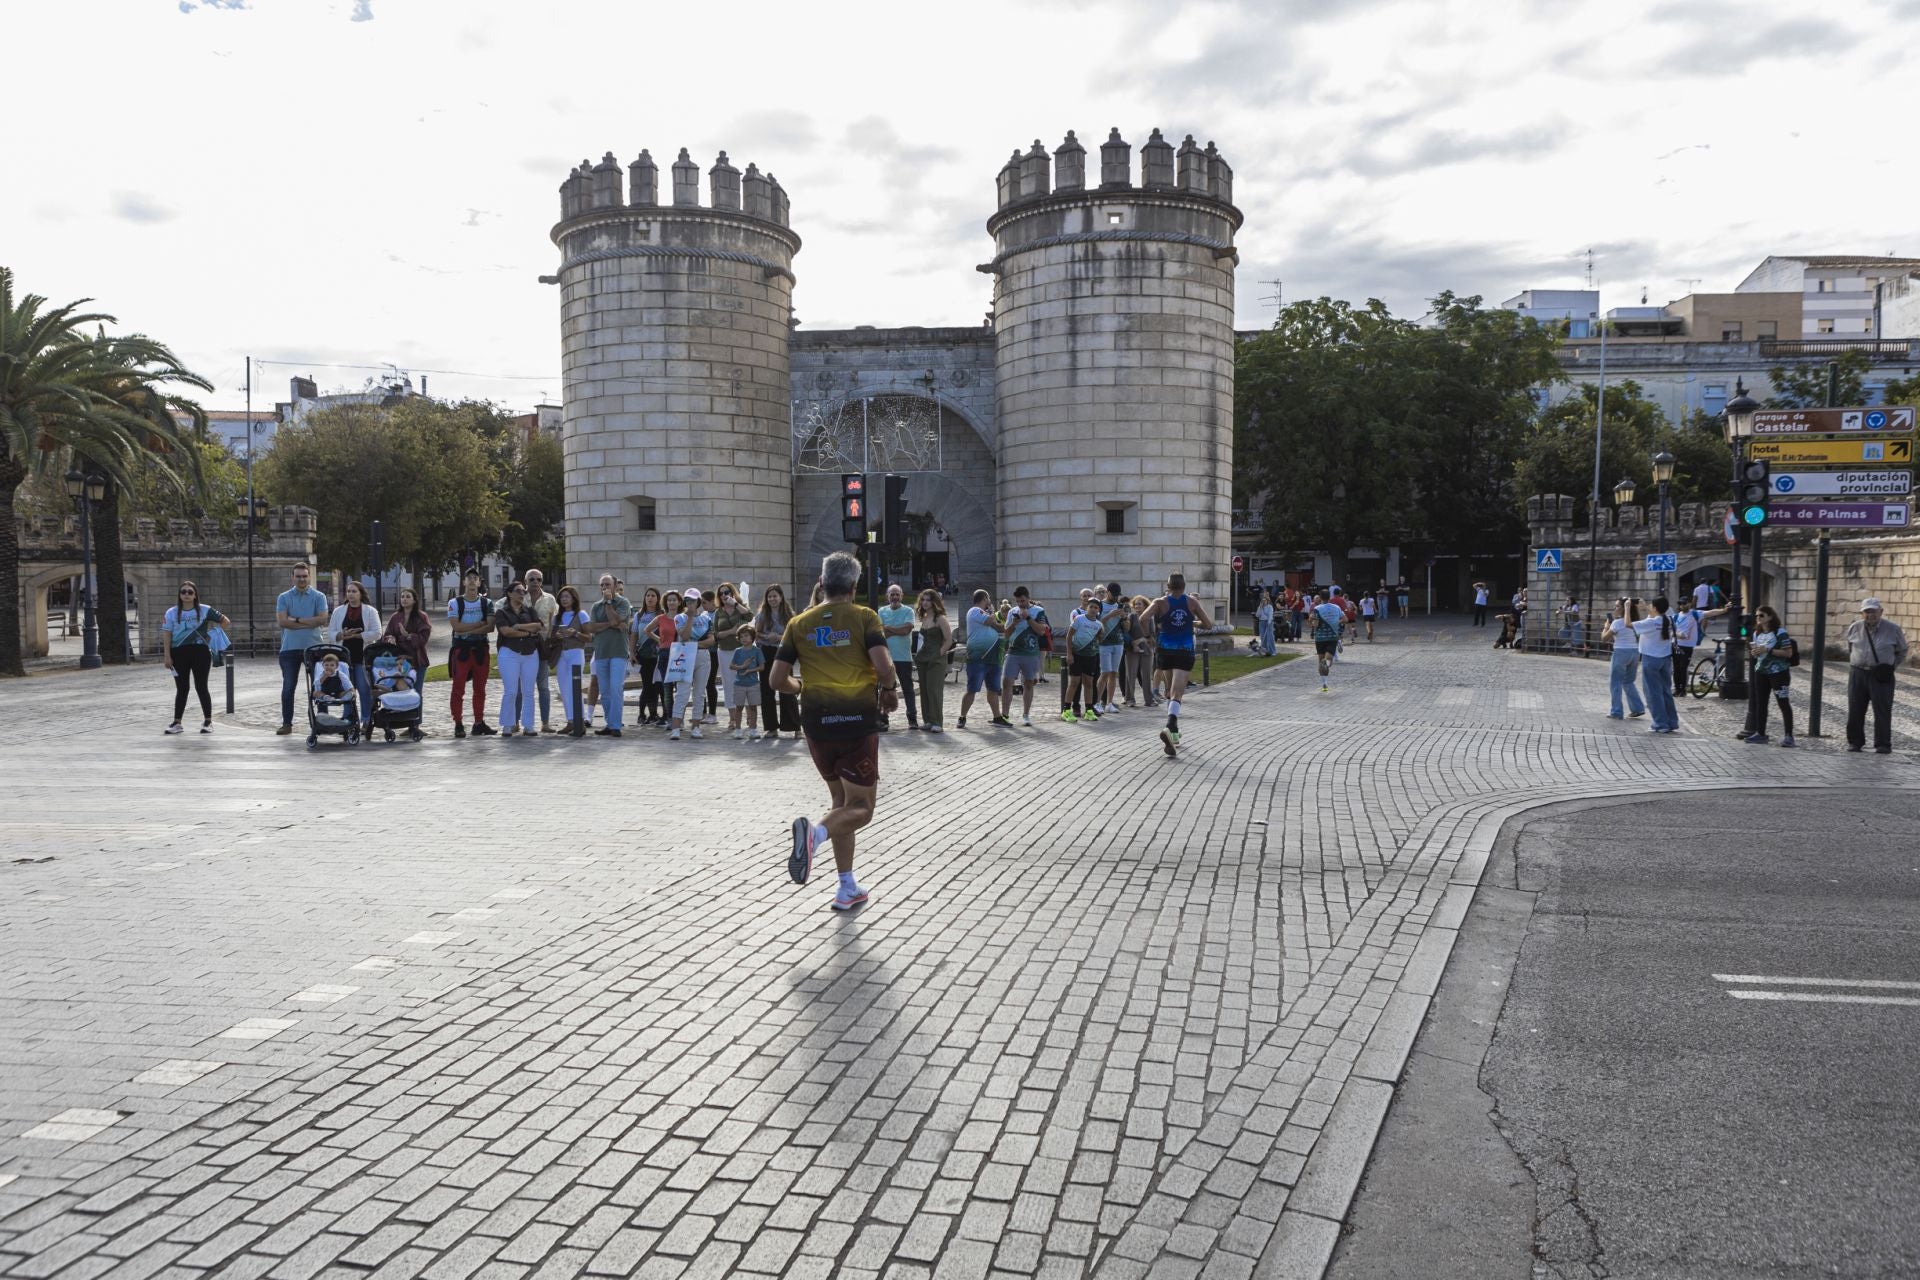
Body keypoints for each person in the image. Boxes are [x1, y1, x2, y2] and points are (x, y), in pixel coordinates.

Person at [775, 551, 900, 911]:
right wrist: (889, 689)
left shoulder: (798, 623)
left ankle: (847, 887)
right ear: (854, 585)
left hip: (816, 726)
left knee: (840, 803)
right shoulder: (864, 617)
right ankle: (814, 834)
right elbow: (882, 664)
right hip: (856, 724)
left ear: (822, 581)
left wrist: (803, 688)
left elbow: (777, 679)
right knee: (862, 807)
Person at [1137, 574, 1212, 755]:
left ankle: (1175, 733)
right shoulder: (1192, 602)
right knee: (1177, 692)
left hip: (1165, 649)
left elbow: (1142, 619)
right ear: (1184, 586)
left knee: (1170, 691)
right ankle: (1170, 725)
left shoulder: (1160, 602)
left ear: (1168, 585)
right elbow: (1208, 625)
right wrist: (1191, 622)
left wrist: (1148, 637)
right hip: (1184, 649)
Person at [162, 580, 227, 735]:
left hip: (201, 653)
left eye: (190, 592)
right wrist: (167, 656)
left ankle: (208, 721)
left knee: (201, 687)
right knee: (182, 688)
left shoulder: (205, 610)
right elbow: (167, 634)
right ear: (179, 594)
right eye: (183, 592)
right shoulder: (171, 612)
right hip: (178, 653)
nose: (186, 594)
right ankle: (177, 723)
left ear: (195, 595)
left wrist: (213, 635)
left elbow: (225, 621)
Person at [1845, 597, 1907, 754]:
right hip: (1858, 672)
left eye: (1873, 611)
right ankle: (1855, 742)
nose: (1870, 615)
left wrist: (1891, 666)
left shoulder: (1893, 629)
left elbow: (1902, 650)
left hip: (1880, 674)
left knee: (1882, 710)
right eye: (1866, 611)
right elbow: (1850, 647)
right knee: (1855, 709)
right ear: (1862, 613)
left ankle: (1883, 744)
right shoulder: (1854, 627)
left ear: (1881, 612)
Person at [274, 565, 329, 735]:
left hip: (314, 648)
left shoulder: (319, 596)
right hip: (289, 649)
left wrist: (296, 620)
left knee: (319, 684)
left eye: (304, 576)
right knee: (288, 687)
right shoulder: (284, 597)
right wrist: (309, 622)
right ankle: (287, 723)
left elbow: (322, 620)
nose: (302, 579)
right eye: (298, 576)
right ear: (292, 577)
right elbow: (283, 622)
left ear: (309, 577)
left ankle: (322, 720)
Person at [446, 569, 497, 739]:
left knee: (480, 689)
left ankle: (478, 722)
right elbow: (457, 628)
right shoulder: (455, 602)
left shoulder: (487, 603)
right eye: (469, 579)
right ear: (464, 582)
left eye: (476, 579)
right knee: (458, 688)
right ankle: (458, 723)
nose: (473, 582)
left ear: (479, 582)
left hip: (481, 649)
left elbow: (491, 627)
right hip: (461, 649)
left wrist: (470, 627)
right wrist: (479, 624)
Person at [326, 580, 382, 732]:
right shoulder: (338, 611)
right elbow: (330, 633)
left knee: (363, 689)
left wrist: (359, 635)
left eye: (354, 591)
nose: (351, 594)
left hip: (362, 656)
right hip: (344, 658)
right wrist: (342, 634)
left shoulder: (370, 611)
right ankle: (348, 719)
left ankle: (366, 720)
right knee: (347, 690)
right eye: (349, 591)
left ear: (361, 593)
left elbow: (377, 632)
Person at [493, 581, 546, 737]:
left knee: (529, 691)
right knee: (511, 691)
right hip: (509, 653)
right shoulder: (502, 612)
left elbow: (539, 626)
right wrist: (528, 633)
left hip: (530, 654)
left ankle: (528, 725)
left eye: (524, 591)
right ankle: (507, 725)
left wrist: (519, 627)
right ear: (509, 593)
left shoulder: (529, 610)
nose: (522, 594)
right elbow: (506, 632)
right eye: (518, 591)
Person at [1742, 605, 1798, 748]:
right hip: (1761, 672)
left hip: (1779, 673)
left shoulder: (1780, 633)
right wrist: (1755, 652)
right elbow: (1757, 653)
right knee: (1761, 703)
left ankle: (1789, 736)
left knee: (1783, 703)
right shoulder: (1757, 634)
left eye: (1761, 615)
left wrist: (1768, 650)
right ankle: (1761, 733)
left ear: (1770, 617)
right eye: (1757, 616)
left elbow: (1788, 653)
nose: (1758, 618)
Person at [584, 574, 632, 737]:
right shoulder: (596, 606)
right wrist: (611, 624)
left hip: (618, 652)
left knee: (615, 688)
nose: (604, 588)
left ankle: (616, 725)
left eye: (607, 584)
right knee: (604, 690)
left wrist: (610, 604)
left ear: (615, 585)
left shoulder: (623, 602)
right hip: (601, 652)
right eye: (602, 585)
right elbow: (592, 627)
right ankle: (610, 723)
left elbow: (617, 618)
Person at [999, 586, 1049, 727]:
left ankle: (1026, 714)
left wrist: (1028, 618)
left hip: (1031, 653)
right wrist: (1013, 624)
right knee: (1007, 682)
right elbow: (1006, 634)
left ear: (1028, 598)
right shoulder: (1012, 612)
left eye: (1022, 600)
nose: (1020, 604)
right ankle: (1005, 715)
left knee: (1028, 683)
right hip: (1014, 652)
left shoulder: (1038, 611)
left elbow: (1041, 631)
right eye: (1018, 601)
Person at [755, 585, 800, 739]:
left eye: (775, 596)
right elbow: (757, 634)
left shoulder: (789, 615)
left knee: (787, 689)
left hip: (783, 651)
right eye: (769, 597)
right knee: (767, 690)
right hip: (766, 651)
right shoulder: (762, 615)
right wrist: (767, 637)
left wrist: (779, 637)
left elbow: (794, 635)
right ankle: (771, 727)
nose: (772, 599)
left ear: (781, 597)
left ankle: (795, 726)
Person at [668, 589, 714, 740]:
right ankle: (675, 728)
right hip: (684, 656)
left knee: (700, 693)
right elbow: (685, 635)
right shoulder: (679, 617)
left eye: (693, 601)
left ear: (698, 602)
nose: (690, 603)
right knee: (682, 692)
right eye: (687, 601)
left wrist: (694, 644)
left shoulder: (706, 619)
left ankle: (696, 727)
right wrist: (689, 618)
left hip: (702, 656)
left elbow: (711, 641)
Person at [1630, 596, 1679, 734]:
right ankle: (1672, 722)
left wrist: (1628, 607)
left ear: (1655, 608)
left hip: (1651, 659)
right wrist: (1646, 607)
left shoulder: (1651, 623)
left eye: (1652, 605)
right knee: (1665, 691)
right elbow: (1655, 617)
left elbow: (1629, 624)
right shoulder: (1669, 619)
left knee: (1653, 693)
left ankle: (1660, 724)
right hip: (1665, 658)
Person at [957, 589, 1005, 730]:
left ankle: (997, 717)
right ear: (985, 598)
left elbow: (998, 626)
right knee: (972, 689)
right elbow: (990, 620)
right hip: (978, 658)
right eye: (988, 599)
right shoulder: (975, 611)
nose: (989, 601)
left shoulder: (985, 614)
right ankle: (962, 717)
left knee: (993, 689)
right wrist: (992, 610)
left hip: (993, 658)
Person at [877, 584, 920, 731]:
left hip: (903, 657)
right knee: (884, 689)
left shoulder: (908, 611)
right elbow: (880, 632)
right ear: (887, 596)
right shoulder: (881, 611)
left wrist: (888, 628)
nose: (895, 597)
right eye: (892, 594)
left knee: (908, 688)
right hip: (885, 658)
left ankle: (912, 719)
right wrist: (896, 630)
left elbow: (906, 630)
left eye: (897, 594)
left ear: (901, 596)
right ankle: (883, 720)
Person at [522, 569, 560, 733]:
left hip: (542, 647)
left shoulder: (550, 599)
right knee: (521, 688)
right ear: (526, 581)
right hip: (522, 646)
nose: (535, 582)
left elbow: (556, 621)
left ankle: (545, 723)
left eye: (538, 579)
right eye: (532, 579)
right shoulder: (519, 597)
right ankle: (518, 722)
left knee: (543, 686)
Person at [551, 586, 591, 734]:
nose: (564, 599)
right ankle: (570, 721)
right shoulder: (557, 617)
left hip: (575, 652)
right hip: (562, 654)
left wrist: (575, 633)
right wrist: (557, 636)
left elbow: (589, 637)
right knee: (564, 688)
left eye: (567, 596)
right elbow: (552, 637)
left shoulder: (581, 615)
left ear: (574, 598)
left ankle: (580, 721)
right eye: (562, 597)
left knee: (575, 687)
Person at [712, 583, 752, 727]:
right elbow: (715, 634)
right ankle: (733, 718)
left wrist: (735, 604)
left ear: (732, 593)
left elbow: (749, 616)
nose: (724, 595)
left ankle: (749, 716)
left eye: (727, 592)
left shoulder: (740, 607)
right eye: (721, 593)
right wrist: (730, 632)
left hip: (742, 650)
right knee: (728, 684)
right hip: (724, 651)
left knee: (745, 681)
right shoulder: (718, 612)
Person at [912, 588, 952, 733]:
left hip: (936, 659)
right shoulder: (924, 617)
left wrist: (939, 654)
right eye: (923, 600)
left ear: (934, 602)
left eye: (928, 600)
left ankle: (937, 722)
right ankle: (928, 720)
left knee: (934, 690)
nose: (925, 603)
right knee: (924, 690)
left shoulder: (941, 618)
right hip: (923, 658)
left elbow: (949, 640)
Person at [643, 592, 681, 731]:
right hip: (665, 654)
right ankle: (670, 718)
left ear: (678, 602)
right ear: (666, 602)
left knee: (681, 688)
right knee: (667, 688)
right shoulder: (661, 618)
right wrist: (660, 640)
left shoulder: (682, 618)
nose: (671, 603)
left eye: (674, 600)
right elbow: (646, 630)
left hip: (680, 654)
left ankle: (679, 718)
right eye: (669, 600)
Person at [1604, 598, 1646, 720]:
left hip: (1621, 652)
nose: (1614, 608)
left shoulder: (1617, 623)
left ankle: (1616, 711)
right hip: (1634, 652)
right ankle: (1637, 708)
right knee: (1628, 682)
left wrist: (1606, 627)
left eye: (1617, 606)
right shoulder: (1636, 622)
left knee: (1615, 682)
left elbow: (1604, 638)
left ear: (1623, 608)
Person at [380, 588, 432, 676]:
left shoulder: (421, 616)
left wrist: (408, 636)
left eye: (408, 597)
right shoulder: (395, 617)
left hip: (417, 659)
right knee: (400, 688)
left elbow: (424, 638)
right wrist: (390, 639)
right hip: (399, 659)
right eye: (402, 597)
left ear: (414, 600)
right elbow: (387, 635)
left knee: (416, 689)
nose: (404, 599)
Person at [632, 587, 665, 726]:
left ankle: (658, 714)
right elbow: (633, 634)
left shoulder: (662, 614)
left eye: (653, 596)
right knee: (647, 686)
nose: (650, 598)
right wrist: (632, 652)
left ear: (658, 599)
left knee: (659, 685)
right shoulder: (639, 616)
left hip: (658, 655)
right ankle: (642, 714)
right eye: (648, 595)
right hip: (644, 655)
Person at [728, 623, 764, 740]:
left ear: (752, 637)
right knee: (739, 707)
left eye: (747, 636)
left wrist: (749, 670)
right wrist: (742, 666)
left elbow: (762, 667)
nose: (744, 638)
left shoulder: (757, 651)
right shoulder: (738, 651)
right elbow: (731, 666)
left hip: (753, 684)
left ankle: (753, 729)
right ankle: (738, 729)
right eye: (742, 636)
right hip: (739, 684)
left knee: (753, 707)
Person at [1308, 592, 1345, 693]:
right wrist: (1336, 622)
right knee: (1329, 661)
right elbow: (1345, 619)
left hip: (1320, 638)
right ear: (1329, 597)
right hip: (1332, 637)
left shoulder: (1317, 609)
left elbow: (1315, 624)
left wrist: (1310, 619)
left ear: (1320, 598)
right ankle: (1326, 664)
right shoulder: (1336, 607)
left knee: (1320, 662)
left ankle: (1324, 683)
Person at [1125, 594, 1158, 707]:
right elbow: (1127, 633)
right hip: (1132, 649)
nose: (1137, 606)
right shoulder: (1130, 617)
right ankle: (1130, 699)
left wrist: (1144, 639)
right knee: (1131, 674)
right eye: (1135, 604)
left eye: (1139, 604)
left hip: (1147, 649)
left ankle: (1149, 700)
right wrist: (1137, 642)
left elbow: (1153, 637)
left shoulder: (1149, 618)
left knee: (1147, 675)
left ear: (1145, 606)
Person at [1670, 593, 1704, 698]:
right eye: (1680, 604)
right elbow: (1669, 628)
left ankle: (1683, 689)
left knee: (1683, 667)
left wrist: (1724, 610)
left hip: (1687, 646)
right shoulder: (1675, 616)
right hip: (1676, 644)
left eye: (1684, 603)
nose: (1682, 606)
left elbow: (1710, 613)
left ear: (1689, 604)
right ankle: (1677, 688)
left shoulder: (1694, 614)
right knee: (1676, 668)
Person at [314, 651, 358, 723]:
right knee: (316, 693)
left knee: (348, 692)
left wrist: (352, 690)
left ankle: (345, 697)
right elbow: (317, 683)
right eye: (326, 665)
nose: (329, 667)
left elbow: (347, 682)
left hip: (338, 693)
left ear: (336, 666)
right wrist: (325, 676)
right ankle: (327, 697)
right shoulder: (322, 674)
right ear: (323, 666)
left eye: (332, 665)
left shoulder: (340, 674)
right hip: (325, 692)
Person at [1255, 591, 1276, 657]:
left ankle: (1273, 651)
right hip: (1261, 622)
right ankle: (1265, 651)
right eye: (1263, 601)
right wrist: (1260, 608)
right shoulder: (1260, 607)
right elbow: (1257, 615)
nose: (1264, 602)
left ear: (1267, 601)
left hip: (1268, 622)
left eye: (1265, 601)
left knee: (1270, 637)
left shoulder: (1270, 607)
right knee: (1263, 637)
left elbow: (1270, 615)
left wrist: (1269, 622)